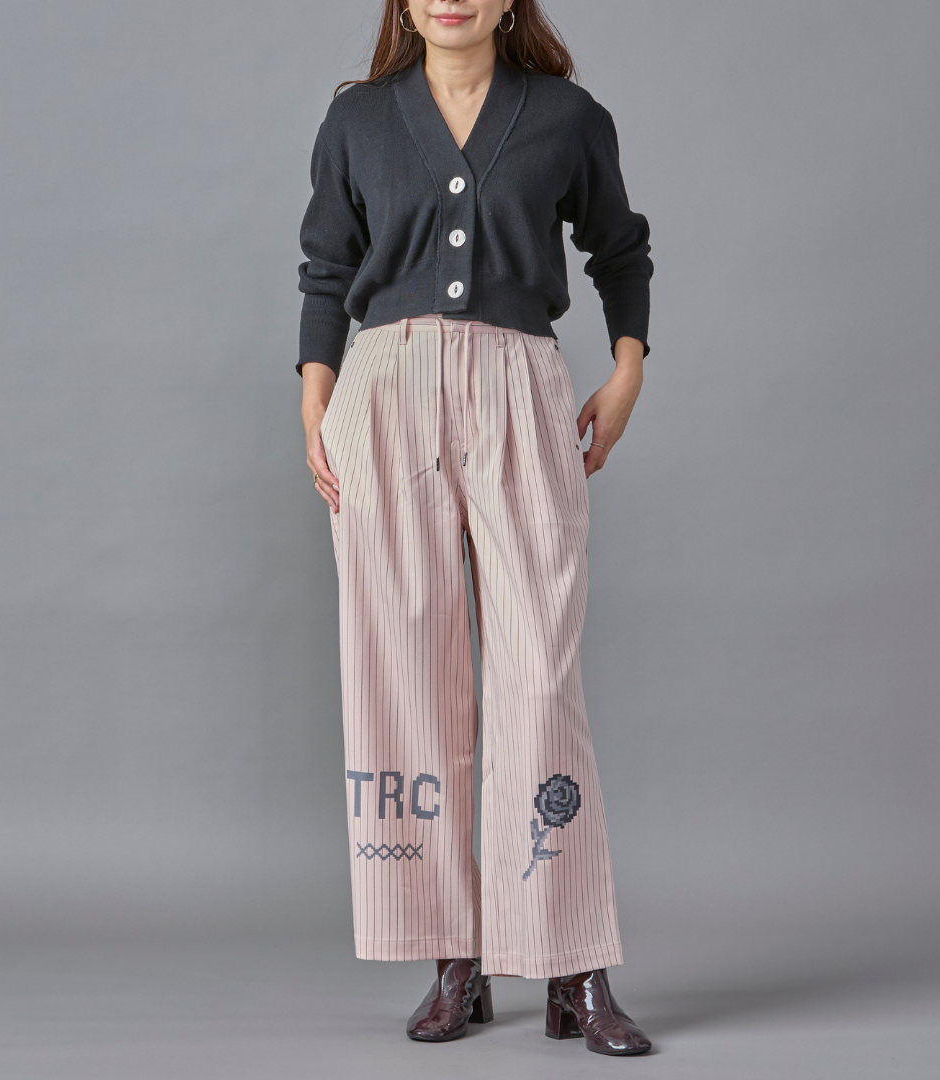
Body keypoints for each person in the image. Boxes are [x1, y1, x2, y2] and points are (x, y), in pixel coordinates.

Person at [296, 0, 653, 1056]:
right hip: (384, 394)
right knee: (407, 674)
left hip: (518, 388)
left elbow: (620, 246)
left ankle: (572, 963)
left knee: (540, 675)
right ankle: (454, 956)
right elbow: (326, 266)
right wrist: (314, 405)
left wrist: (628, 370)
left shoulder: (567, 117)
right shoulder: (357, 120)